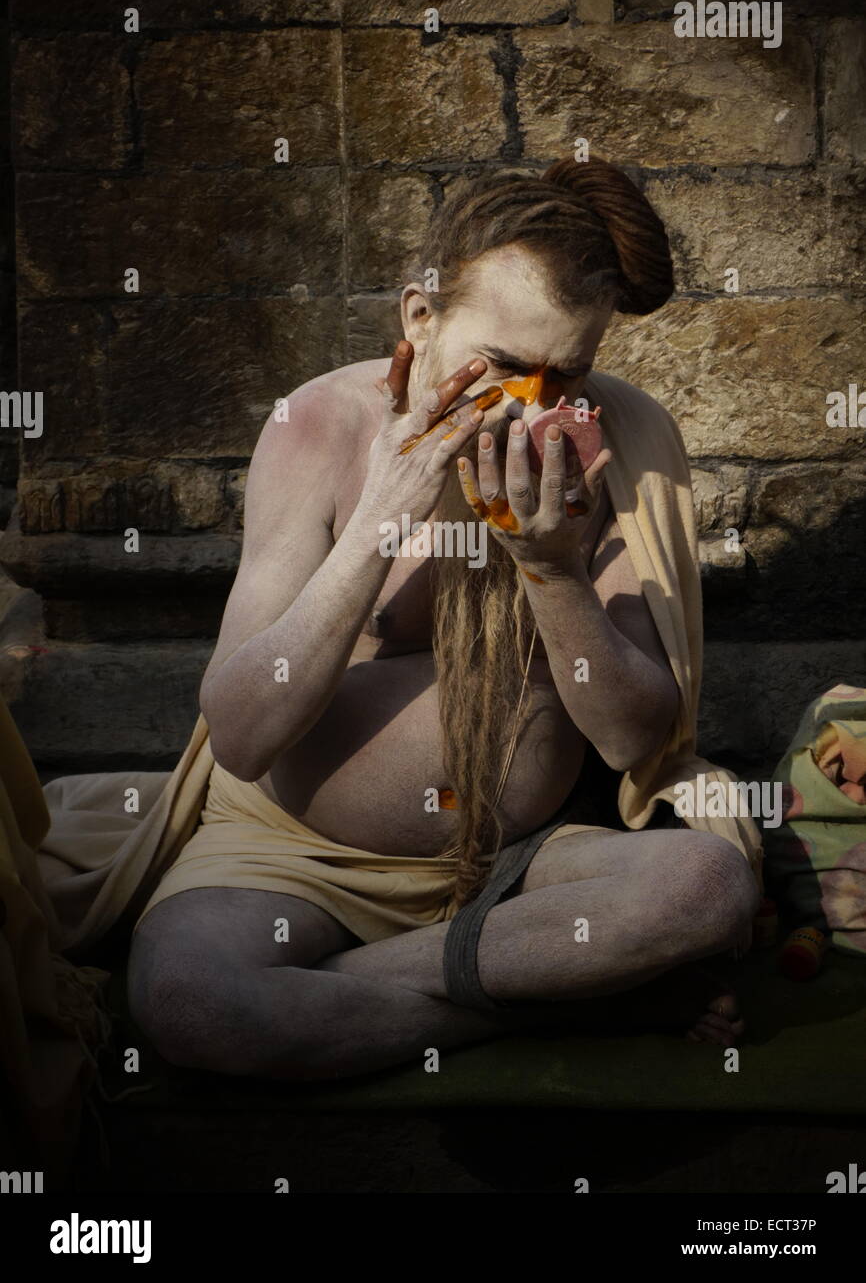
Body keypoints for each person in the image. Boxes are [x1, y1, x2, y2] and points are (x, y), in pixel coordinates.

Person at [125, 157, 762, 1081]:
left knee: (707, 886)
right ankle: (548, 1000)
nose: (533, 406)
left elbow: (634, 739)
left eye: (567, 374)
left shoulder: (621, 439)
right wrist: (384, 515)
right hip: (291, 862)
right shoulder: (316, 426)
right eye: (503, 367)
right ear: (420, 318)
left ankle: (388, 985)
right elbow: (243, 733)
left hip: (523, 867)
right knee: (193, 1004)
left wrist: (554, 571)